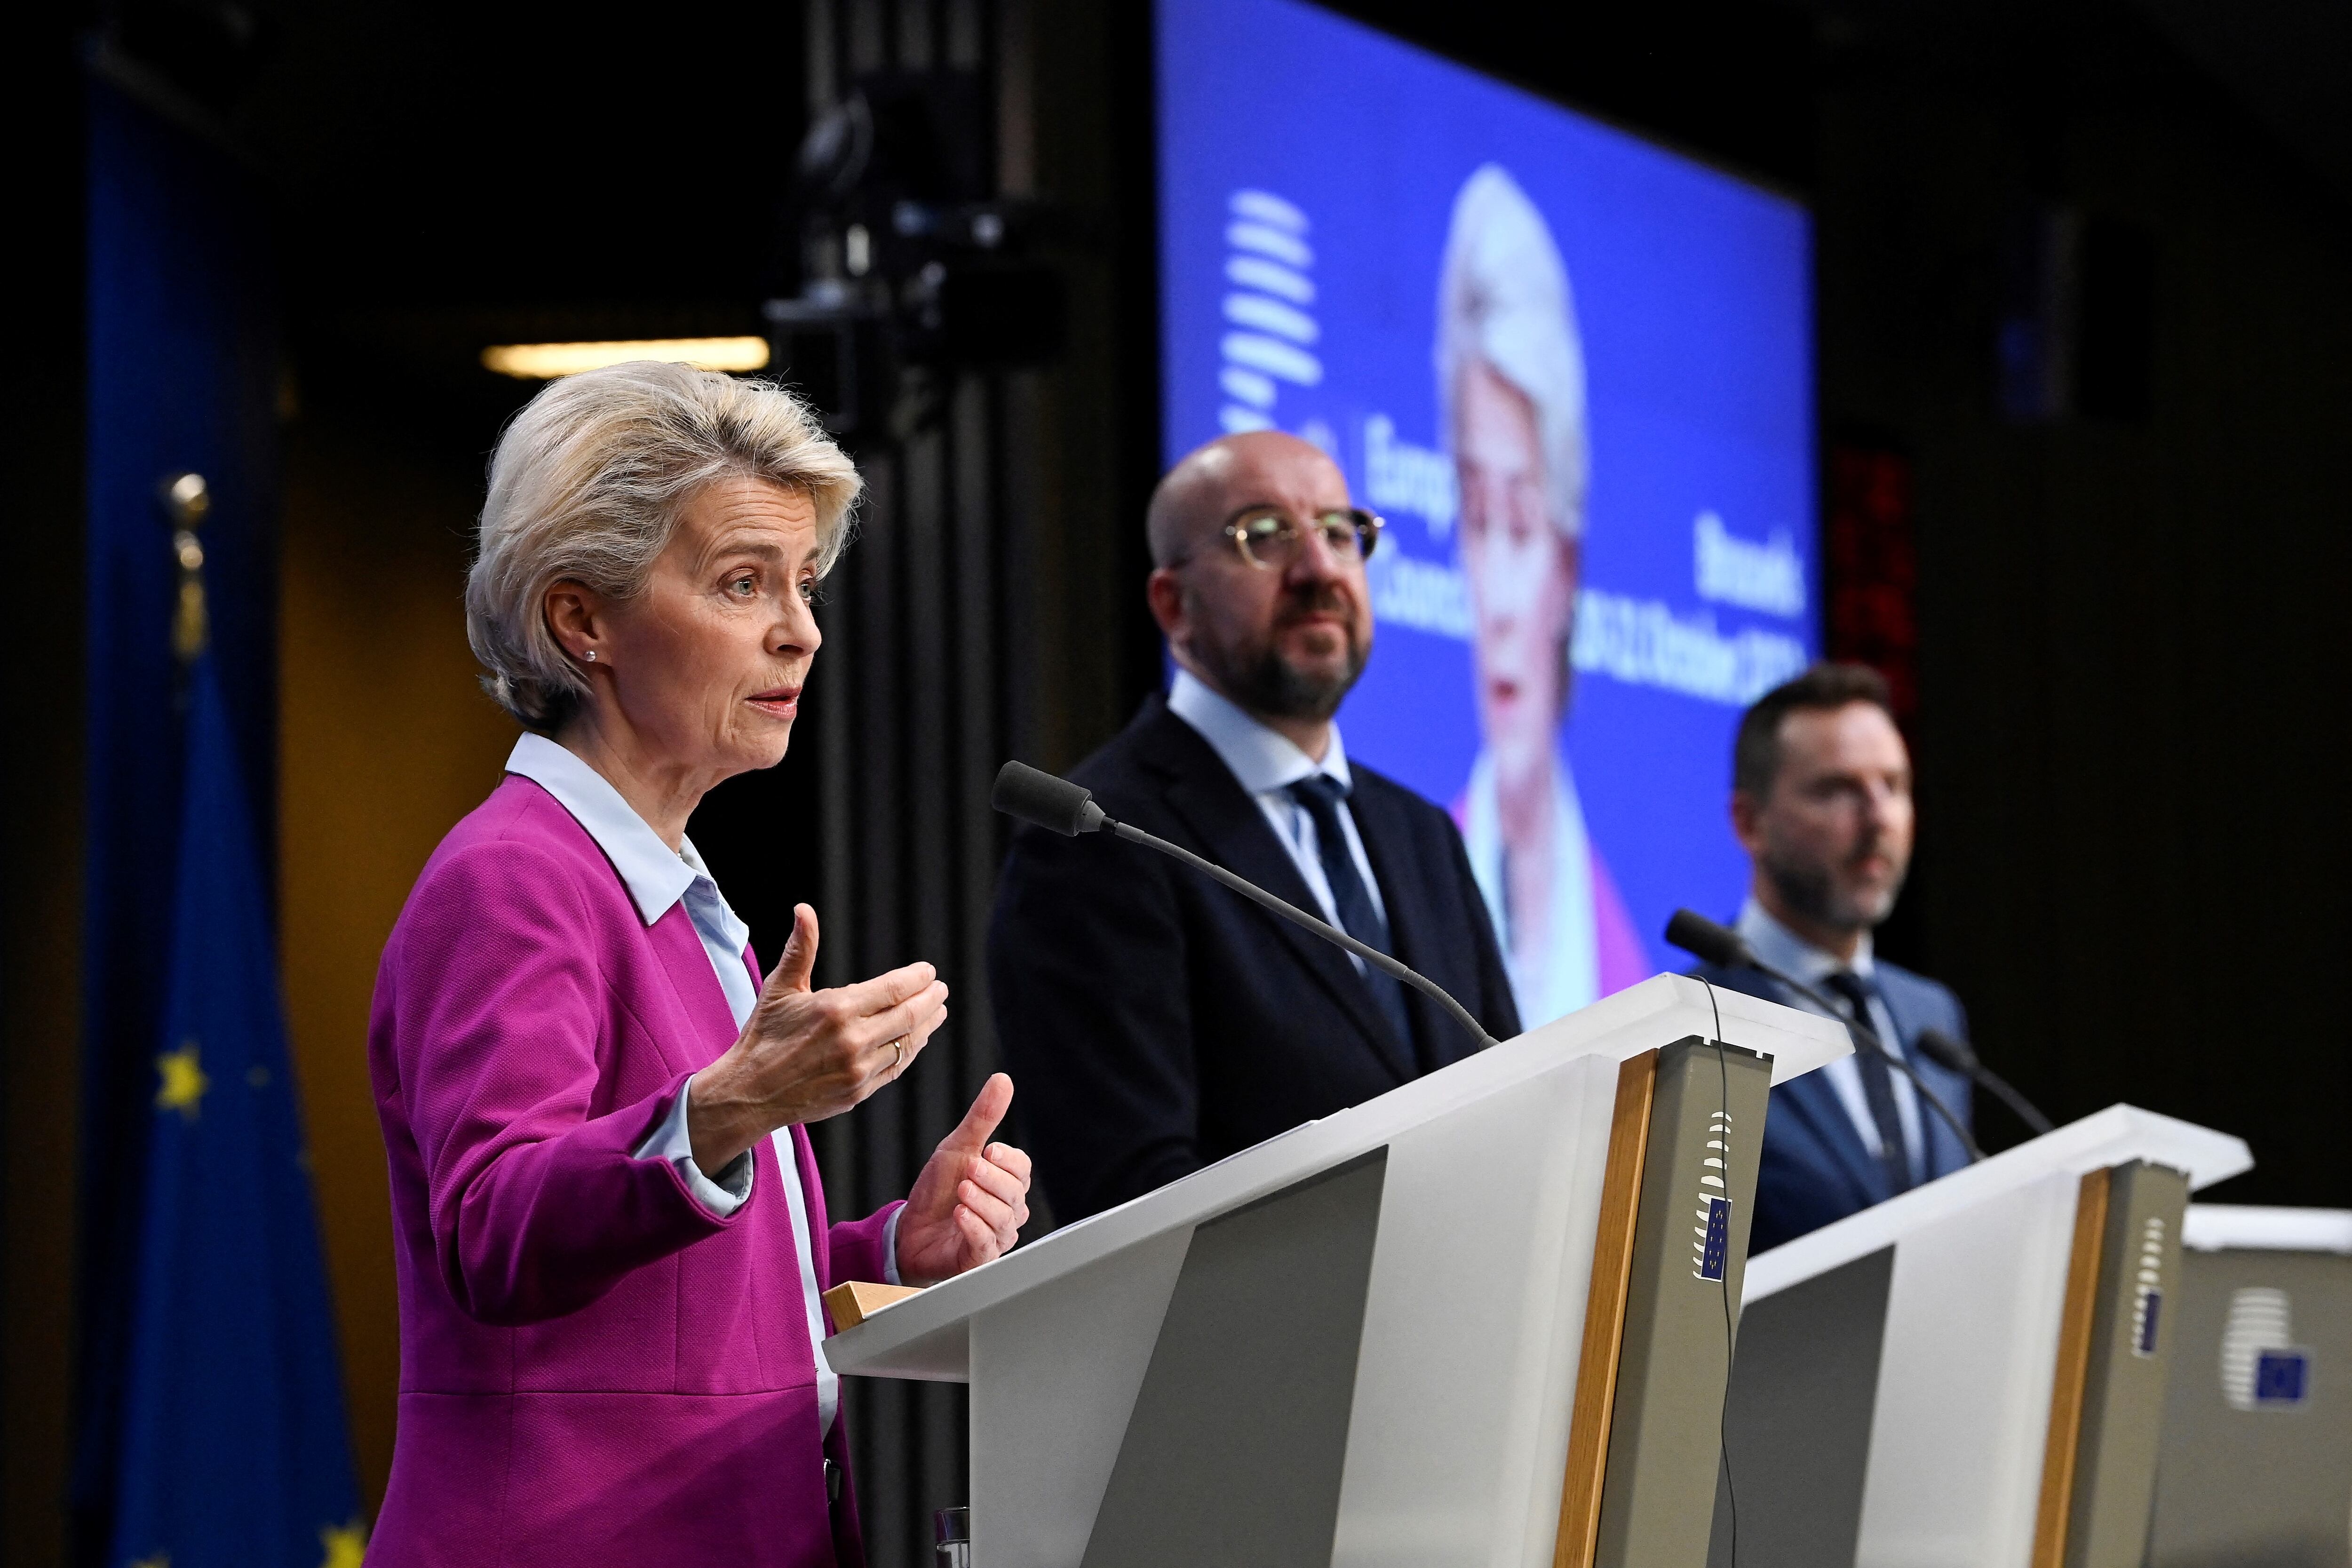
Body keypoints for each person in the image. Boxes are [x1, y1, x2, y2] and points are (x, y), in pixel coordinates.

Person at [366, 362, 1033, 1566]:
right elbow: (496, 1226)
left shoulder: (669, 893)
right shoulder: (513, 877)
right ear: (583, 620)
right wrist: (731, 1104)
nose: (801, 629)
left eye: (805, 584)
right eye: (742, 583)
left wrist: (890, 1251)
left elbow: (679, 1304)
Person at [987, 430, 1520, 1223]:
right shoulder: (1101, 836)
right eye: (1264, 536)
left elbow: (1515, 1099)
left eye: (1341, 533)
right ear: (1174, 604)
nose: (1320, 571)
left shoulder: (1420, 833)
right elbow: (1131, 1193)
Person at [1437, 163, 1648, 1028]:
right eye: (1476, 519)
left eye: (1520, 526)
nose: (1499, 600)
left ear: (1567, 564)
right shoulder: (1413, 875)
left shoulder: (1632, 949)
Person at [1685, 662, 1974, 1252]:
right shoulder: (1693, 1021)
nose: (1877, 820)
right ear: (1749, 823)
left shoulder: (1931, 1017)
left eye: (1893, 786)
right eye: (1837, 789)